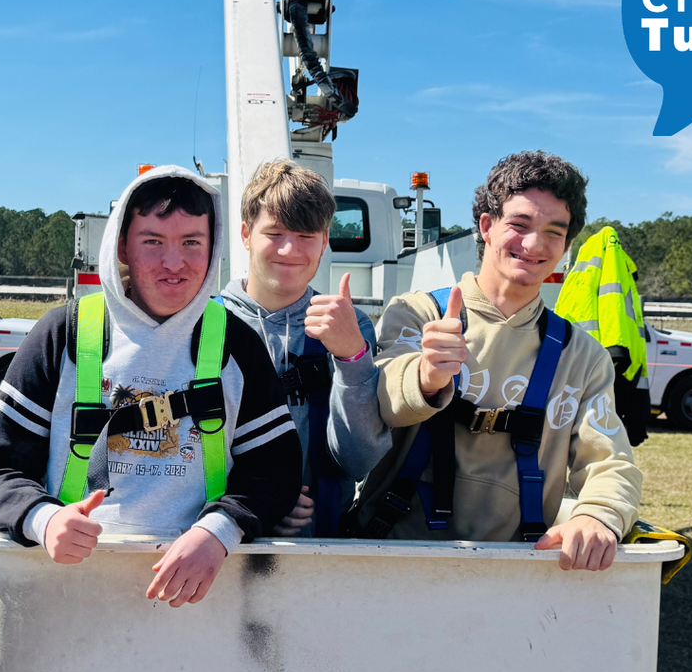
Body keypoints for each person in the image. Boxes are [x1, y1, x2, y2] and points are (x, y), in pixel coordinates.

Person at [0, 165, 302, 606]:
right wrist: (43, 520)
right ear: (122, 246)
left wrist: (218, 531)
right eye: (153, 241)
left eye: (191, 242)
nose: (173, 262)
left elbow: (275, 470)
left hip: (199, 593)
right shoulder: (63, 333)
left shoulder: (235, 343)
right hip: (67, 590)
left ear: (214, 245)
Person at [352, 150, 642, 571]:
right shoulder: (417, 315)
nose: (534, 245)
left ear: (567, 245)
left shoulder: (582, 357)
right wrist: (426, 376)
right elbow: (377, 406)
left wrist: (598, 514)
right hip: (394, 559)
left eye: (553, 232)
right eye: (519, 225)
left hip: (518, 569)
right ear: (487, 226)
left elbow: (611, 461)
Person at [220, 159, 391, 536]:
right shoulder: (206, 325)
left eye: (306, 235)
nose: (289, 249)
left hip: (321, 548)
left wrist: (352, 358)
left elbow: (358, 460)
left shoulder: (351, 325)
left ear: (325, 241)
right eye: (275, 232)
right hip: (221, 545)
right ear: (246, 235)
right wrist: (259, 502)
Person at [555, 224, 651, 445]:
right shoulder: (612, 260)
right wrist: (617, 350)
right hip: (607, 367)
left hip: (590, 368)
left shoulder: (590, 264)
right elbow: (613, 304)